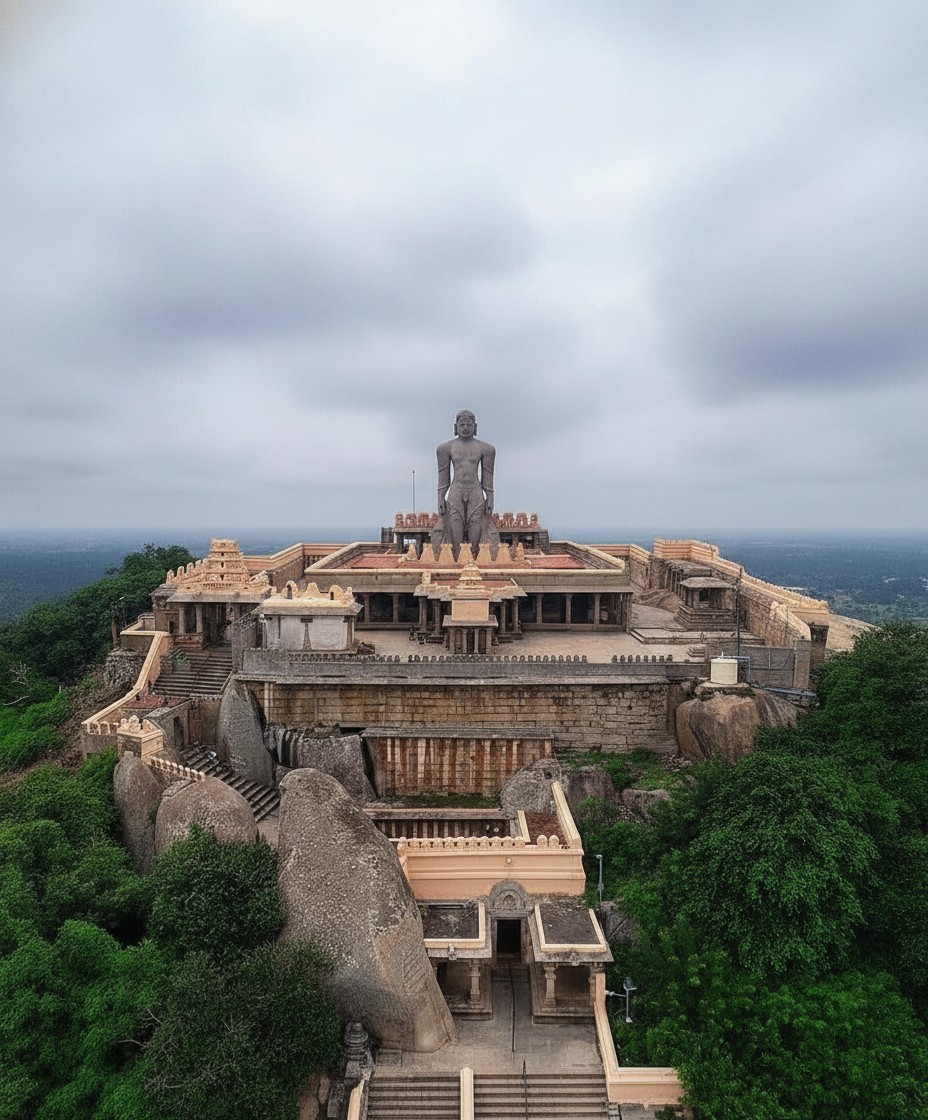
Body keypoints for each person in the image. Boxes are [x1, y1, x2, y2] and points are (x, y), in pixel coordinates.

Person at [436, 410, 496, 550]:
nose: (465, 428)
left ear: (475, 427)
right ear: (455, 427)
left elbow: (488, 476)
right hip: (456, 489)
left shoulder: (487, 449)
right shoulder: (444, 448)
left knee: (476, 523)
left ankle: (475, 556)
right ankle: (456, 555)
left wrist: (491, 497)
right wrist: (440, 497)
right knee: (455, 522)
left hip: (475, 490)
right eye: (462, 425)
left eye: (468, 425)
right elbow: (443, 476)